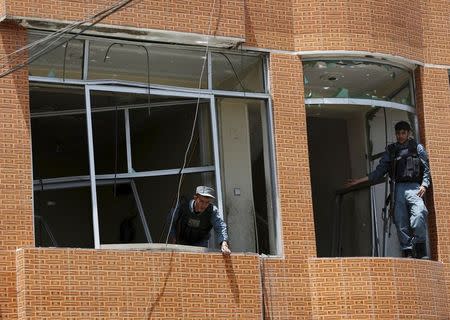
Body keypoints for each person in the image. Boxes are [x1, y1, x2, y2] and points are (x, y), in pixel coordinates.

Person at [346, 121, 431, 259]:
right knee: (400, 220)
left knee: (419, 214)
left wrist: (424, 185)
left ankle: (420, 247)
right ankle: (407, 250)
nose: (400, 136)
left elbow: (426, 168)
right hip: (397, 188)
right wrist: (359, 180)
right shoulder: (391, 150)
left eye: (403, 133)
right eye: (398, 133)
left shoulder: (417, 147)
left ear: (408, 133)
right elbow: (379, 172)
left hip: (415, 187)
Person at [169, 186, 231, 254]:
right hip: (181, 240)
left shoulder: (212, 211)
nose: (204, 205)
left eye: (207, 202)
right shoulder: (183, 207)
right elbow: (171, 222)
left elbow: (220, 226)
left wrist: (224, 243)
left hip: (200, 242)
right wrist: (173, 237)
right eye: (201, 201)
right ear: (195, 198)